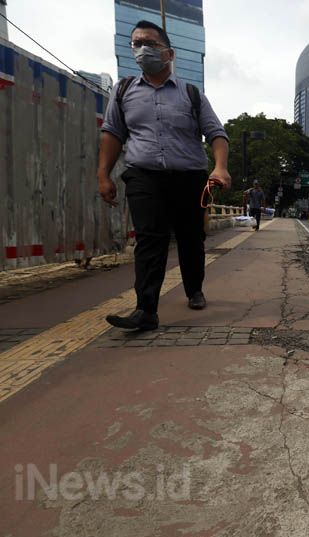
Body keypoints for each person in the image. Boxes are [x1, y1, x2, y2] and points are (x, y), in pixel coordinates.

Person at [98, 20, 231, 331]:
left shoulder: (191, 94)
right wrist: (103, 174)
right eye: (137, 43)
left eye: (151, 44)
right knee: (149, 240)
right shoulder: (123, 92)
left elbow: (216, 133)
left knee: (190, 239)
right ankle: (146, 309)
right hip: (143, 175)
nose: (143, 50)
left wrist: (220, 167)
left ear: (169, 53)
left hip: (189, 178)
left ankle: (194, 288)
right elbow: (112, 134)